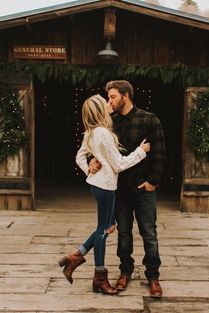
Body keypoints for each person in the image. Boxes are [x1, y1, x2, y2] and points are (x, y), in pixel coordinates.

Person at [58, 94, 150, 295]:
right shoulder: (103, 134)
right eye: (105, 103)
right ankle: (100, 276)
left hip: (98, 185)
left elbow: (80, 156)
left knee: (107, 227)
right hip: (106, 187)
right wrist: (141, 152)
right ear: (100, 110)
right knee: (103, 230)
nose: (110, 104)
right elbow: (118, 165)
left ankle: (75, 257)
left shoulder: (91, 132)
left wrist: (88, 168)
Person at [89, 80, 166, 298]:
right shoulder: (109, 122)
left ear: (126, 95)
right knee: (124, 234)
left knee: (149, 234)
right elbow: (98, 148)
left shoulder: (149, 119)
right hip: (119, 189)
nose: (109, 101)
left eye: (112, 96)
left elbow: (159, 153)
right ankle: (125, 272)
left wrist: (153, 181)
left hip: (143, 188)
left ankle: (153, 276)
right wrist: (92, 159)